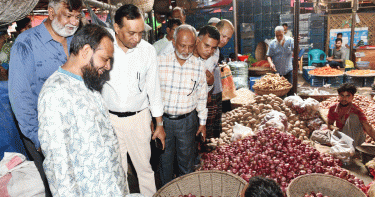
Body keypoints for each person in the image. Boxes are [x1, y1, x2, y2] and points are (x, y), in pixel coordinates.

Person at [38, 24, 128, 196]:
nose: (108, 66)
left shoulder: (89, 82)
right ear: (86, 51)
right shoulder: (55, 93)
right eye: (105, 58)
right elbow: (59, 168)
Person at [8, 0, 82, 195]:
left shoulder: (76, 41)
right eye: (68, 16)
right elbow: (20, 98)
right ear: (50, 12)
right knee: (56, 187)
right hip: (44, 133)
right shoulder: (26, 44)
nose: (73, 22)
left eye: (77, 17)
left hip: (76, 129)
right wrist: (38, 139)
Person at [101, 4, 165, 196]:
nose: (136, 38)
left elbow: (154, 89)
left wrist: (159, 123)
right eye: (131, 33)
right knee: (117, 170)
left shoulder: (147, 51)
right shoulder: (104, 48)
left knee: (144, 169)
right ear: (116, 28)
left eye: (140, 33)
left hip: (139, 119)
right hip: (110, 120)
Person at [158, 24, 208, 186]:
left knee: (186, 162)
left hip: (187, 122)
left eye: (190, 46)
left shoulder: (198, 66)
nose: (186, 50)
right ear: (173, 42)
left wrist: (202, 122)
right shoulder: (160, 62)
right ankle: (167, 191)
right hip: (163, 122)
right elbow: (151, 94)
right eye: (182, 46)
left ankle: (186, 192)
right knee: (165, 162)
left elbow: (201, 96)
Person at [193, 25, 220, 138]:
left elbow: (202, 91)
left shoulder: (203, 61)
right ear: (198, 40)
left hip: (196, 113)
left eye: (213, 48)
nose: (209, 51)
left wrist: (209, 84)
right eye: (207, 45)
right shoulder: (184, 57)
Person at [327, 83, 375, 147]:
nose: (344, 98)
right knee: (316, 134)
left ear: (352, 97)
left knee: (353, 117)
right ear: (338, 96)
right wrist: (335, 128)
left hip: (354, 138)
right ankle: (343, 143)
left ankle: (351, 146)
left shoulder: (356, 110)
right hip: (342, 134)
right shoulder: (333, 108)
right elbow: (329, 124)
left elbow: (368, 128)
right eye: (342, 95)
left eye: (348, 96)